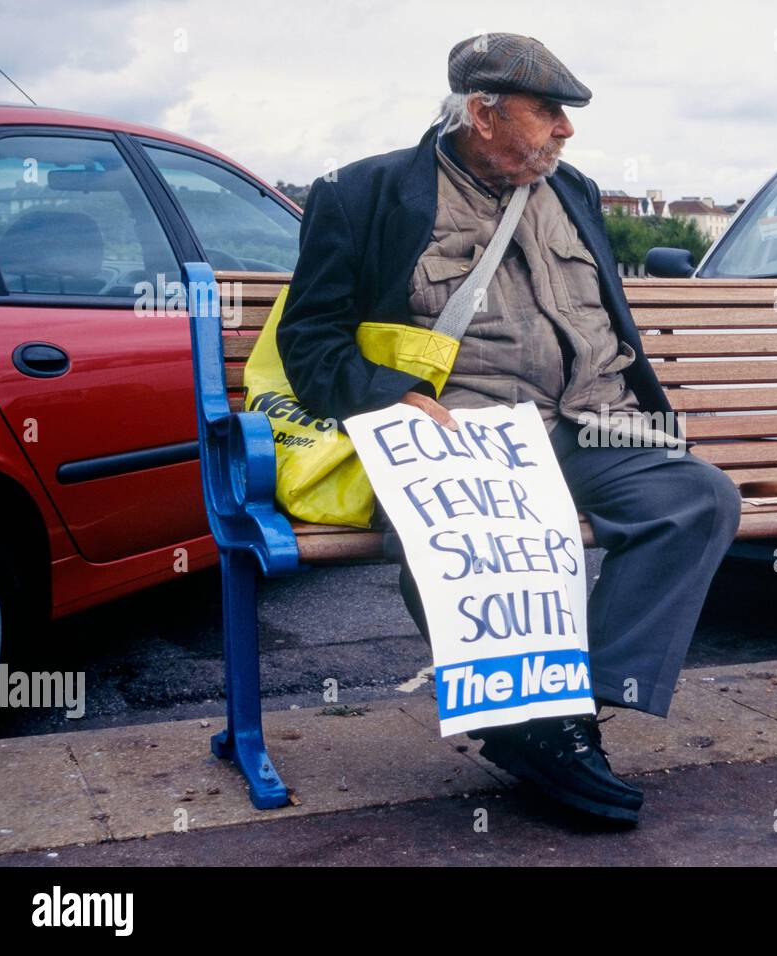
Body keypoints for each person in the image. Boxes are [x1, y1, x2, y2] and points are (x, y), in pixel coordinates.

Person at [277, 32, 742, 825]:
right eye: (549, 111)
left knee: (698, 498)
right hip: (464, 435)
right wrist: (387, 397)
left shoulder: (575, 190)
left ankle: (562, 717)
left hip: (592, 421)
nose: (566, 130)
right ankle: (544, 731)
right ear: (484, 114)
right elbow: (310, 337)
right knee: (470, 536)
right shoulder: (363, 194)